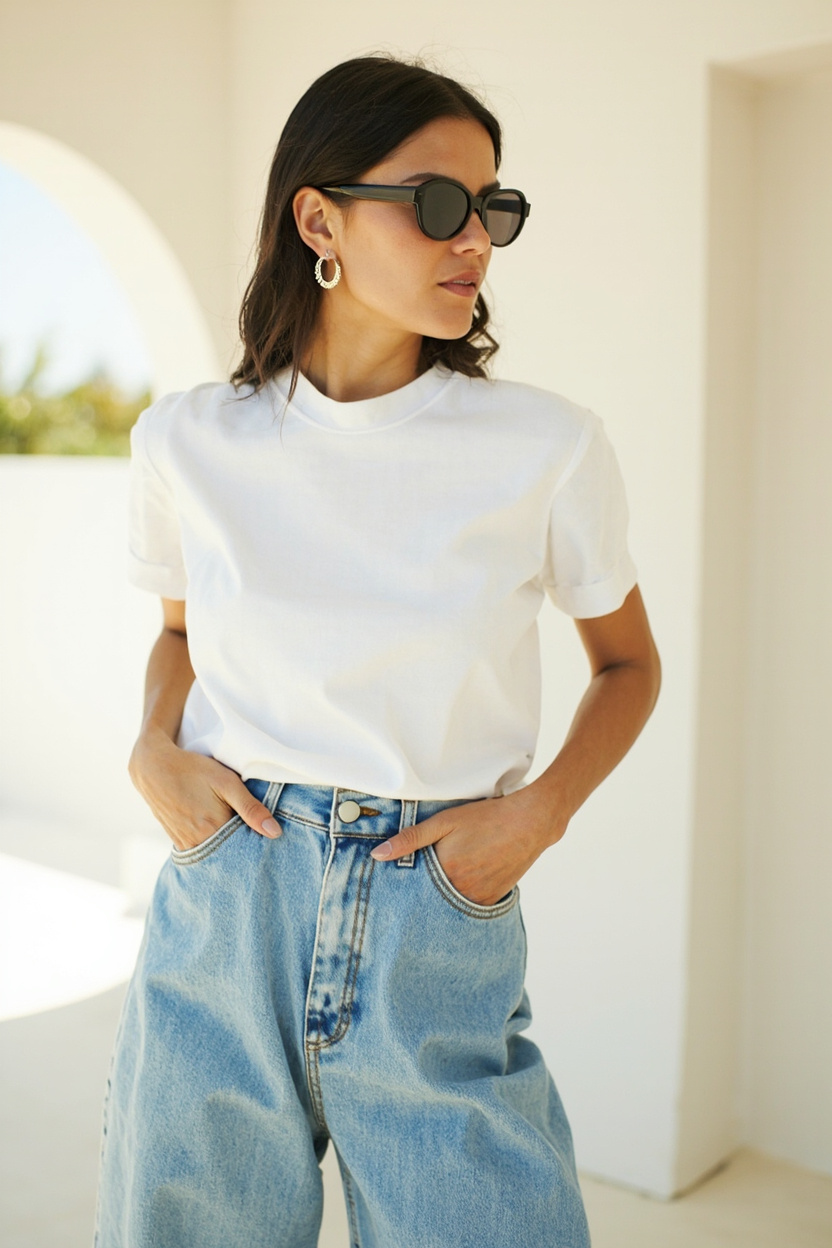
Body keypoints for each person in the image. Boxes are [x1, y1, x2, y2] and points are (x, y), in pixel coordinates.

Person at [94, 53, 660, 1248]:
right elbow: (180, 636)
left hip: (431, 901)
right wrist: (151, 747)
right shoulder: (187, 441)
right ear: (319, 217)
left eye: (491, 211)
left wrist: (538, 815)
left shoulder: (543, 446)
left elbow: (628, 663)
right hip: (229, 887)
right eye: (440, 204)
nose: (475, 242)